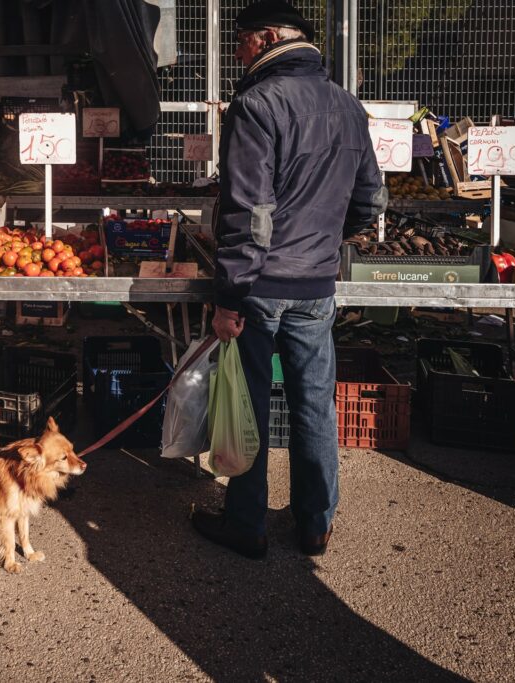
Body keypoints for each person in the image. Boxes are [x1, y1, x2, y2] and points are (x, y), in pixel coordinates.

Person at [191, 1, 387, 559]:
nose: (237, 52)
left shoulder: (256, 104)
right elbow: (371, 200)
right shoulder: (347, 105)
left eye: (242, 40)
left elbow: (249, 211)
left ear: (269, 38)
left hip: (260, 285)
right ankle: (316, 524)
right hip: (317, 285)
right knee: (314, 404)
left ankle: (246, 524)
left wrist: (229, 296)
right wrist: (325, 243)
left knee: (250, 403)